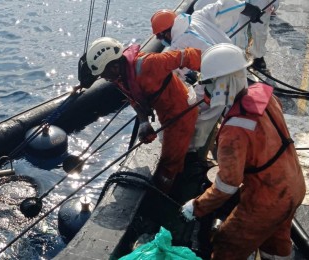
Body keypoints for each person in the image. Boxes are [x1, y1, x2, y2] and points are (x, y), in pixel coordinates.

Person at [181, 43, 306, 259]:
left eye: (210, 84)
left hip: (265, 200)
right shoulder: (264, 97)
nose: (207, 90)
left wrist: (196, 207)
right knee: (276, 242)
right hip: (293, 186)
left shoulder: (234, 130)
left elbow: (227, 185)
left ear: (224, 83)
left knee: (226, 244)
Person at [85, 37, 202, 193]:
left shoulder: (149, 63)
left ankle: (164, 192)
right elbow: (134, 98)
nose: (104, 78)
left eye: (104, 74)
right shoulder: (120, 76)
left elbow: (189, 55)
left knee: (169, 161)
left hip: (180, 114)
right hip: (165, 112)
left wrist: (211, 80)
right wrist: (143, 122)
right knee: (172, 153)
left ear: (113, 66)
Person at [150, 7, 232, 157]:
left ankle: (193, 151)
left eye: (160, 37)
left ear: (166, 33)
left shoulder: (178, 44)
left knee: (195, 113)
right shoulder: (194, 20)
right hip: (233, 63)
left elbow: (175, 77)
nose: (160, 41)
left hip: (220, 80)